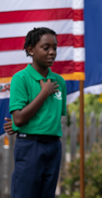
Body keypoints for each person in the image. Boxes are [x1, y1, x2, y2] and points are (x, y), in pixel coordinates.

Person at [8, 27, 67, 198]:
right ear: (31, 49)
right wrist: (44, 93)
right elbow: (18, 118)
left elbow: (52, 117)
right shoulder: (21, 78)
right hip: (30, 147)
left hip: (53, 147)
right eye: (45, 47)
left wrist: (15, 124)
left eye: (55, 48)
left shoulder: (59, 81)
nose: (52, 52)